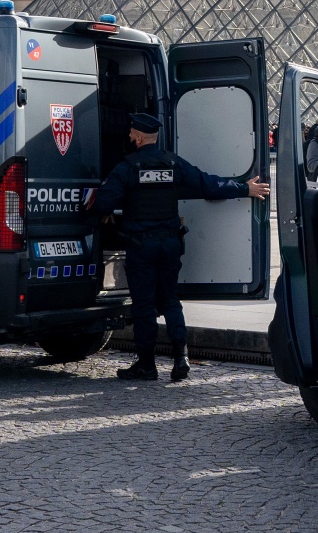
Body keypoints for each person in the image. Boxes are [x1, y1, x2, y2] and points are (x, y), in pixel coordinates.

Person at [90, 111, 268, 382]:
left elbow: (103, 202)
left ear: (138, 137)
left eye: (131, 133)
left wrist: (108, 212)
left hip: (141, 246)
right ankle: (180, 359)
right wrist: (244, 189)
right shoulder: (173, 163)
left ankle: (146, 366)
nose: (128, 136)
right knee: (171, 301)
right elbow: (208, 184)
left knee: (144, 306)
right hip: (170, 244)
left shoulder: (128, 167)